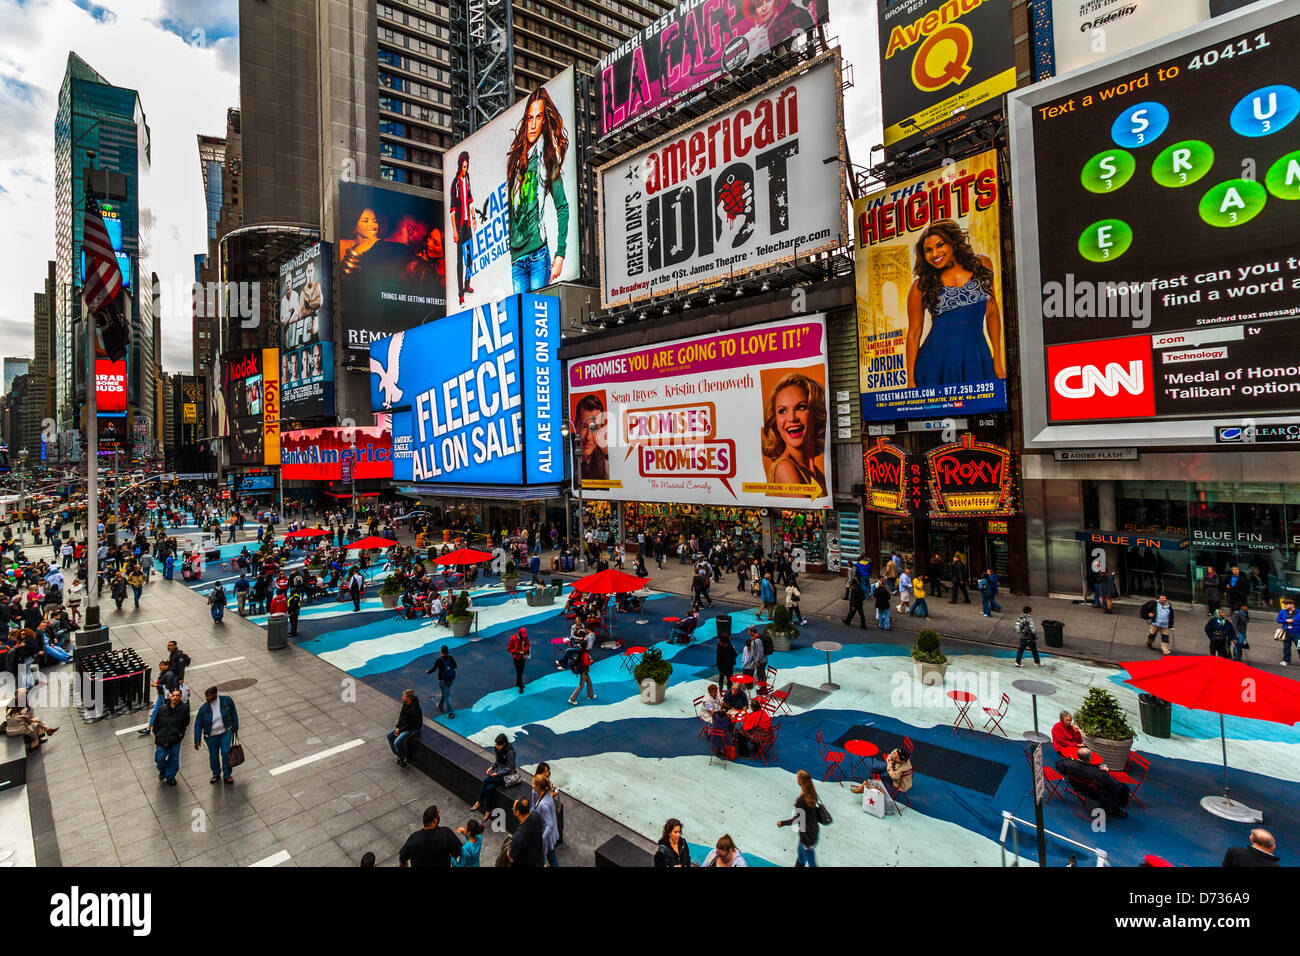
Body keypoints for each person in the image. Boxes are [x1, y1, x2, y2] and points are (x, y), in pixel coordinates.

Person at [905, 218, 1005, 390]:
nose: (934, 254)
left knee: (983, 412)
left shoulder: (982, 264)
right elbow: (914, 334)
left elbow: (992, 312)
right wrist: (911, 380)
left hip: (975, 357)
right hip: (935, 363)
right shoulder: (920, 286)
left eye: (940, 245)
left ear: (953, 243)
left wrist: (997, 358)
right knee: (943, 415)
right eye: (928, 250)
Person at [507, 86, 570, 293]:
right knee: (520, 324)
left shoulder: (547, 160)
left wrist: (560, 255)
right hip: (517, 259)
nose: (533, 124)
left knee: (536, 322)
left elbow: (562, 206)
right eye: (529, 118)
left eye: (538, 117)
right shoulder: (515, 162)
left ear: (544, 121)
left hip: (537, 256)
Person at [760, 372, 828, 500]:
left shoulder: (816, 473)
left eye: (801, 407)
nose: (791, 418)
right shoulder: (785, 467)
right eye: (783, 411)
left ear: (816, 414)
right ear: (775, 420)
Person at [777, 769, 826, 867]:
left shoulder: (801, 801)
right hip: (813, 831)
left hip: (806, 837)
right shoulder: (813, 794)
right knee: (801, 857)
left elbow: (796, 819)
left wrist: (782, 823)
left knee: (811, 863)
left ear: (800, 781)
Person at [193, 686, 239, 785]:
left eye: (209, 696)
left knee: (226, 753)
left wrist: (235, 725)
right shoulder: (203, 709)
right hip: (211, 736)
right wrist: (197, 739)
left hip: (225, 732)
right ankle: (216, 773)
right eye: (206, 696)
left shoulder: (226, 701)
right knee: (213, 755)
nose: (207, 698)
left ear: (215, 694)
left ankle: (227, 775)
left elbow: (233, 712)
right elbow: (198, 724)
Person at [449, 151, 477, 306]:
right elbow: (452, 209)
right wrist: (454, 230)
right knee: (460, 261)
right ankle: (460, 295)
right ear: (460, 165)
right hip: (459, 227)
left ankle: (467, 285)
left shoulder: (467, 179)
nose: (465, 169)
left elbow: (470, 199)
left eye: (467, 166)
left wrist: (473, 217)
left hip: (467, 225)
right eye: (464, 166)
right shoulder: (455, 183)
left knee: (470, 258)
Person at [470, 733, 517, 821]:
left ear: (504, 744)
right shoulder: (497, 749)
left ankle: (479, 801)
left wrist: (498, 774)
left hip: (506, 776)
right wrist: (492, 767)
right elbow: (497, 761)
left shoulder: (510, 752)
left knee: (486, 781)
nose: (496, 746)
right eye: (496, 744)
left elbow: (511, 767)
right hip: (498, 772)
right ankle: (488, 811)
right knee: (489, 788)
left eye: (498, 745)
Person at [398, 805, 463, 868]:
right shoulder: (446, 833)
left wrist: (403, 863)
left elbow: (402, 857)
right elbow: (458, 852)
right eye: (438, 814)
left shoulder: (414, 837)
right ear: (435, 820)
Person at [151, 689, 190, 786]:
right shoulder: (162, 708)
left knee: (174, 758)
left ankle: (170, 776)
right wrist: (157, 733)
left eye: (177, 695)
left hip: (175, 738)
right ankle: (163, 769)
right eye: (173, 695)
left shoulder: (184, 708)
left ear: (180, 697)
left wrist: (180, 733)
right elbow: (156, 723)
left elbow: (185, 722)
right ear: (170, 696)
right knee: (159, 757)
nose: (175, 697)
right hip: (162, 737)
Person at [4, 687, 58, 752]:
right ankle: (35, 742)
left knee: (36, 721)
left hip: (11, 729)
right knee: (36, 724)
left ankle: (47, 731)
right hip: (18, 729)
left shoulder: (12, 706)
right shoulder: (22, 707)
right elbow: (29, 719)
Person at [572, 393, 609, 483]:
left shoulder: (607, 468)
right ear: (576, 426)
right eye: (584, 427)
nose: (588, 437)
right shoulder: (564, 459)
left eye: (594, 428)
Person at [387, 689, 423, 767]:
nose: (402, 697)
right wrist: (397, 727)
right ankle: (399, 754)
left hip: (413, 728)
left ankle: (402, 757)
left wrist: (400, 730)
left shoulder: (414, 708)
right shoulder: (406, 703)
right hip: (404, 726)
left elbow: (411, 724)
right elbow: (401, 716)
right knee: (389, 735)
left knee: (397, 742)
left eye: (403, 696)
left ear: (409, 698)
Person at [533, 771, 560, 866]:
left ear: (538, 786)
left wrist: (541, 839)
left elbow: (549, 824)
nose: (532, 786)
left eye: (533, 784)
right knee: (551, 857)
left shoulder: (543, 805)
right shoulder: (547, 794)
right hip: (547, 835)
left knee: (547, 858)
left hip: (546, 837)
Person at [426, 646, 457, 718]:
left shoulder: (439, 660)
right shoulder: (451, 658)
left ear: (441, 652)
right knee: (445, 693)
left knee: (447, 697)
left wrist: (428, 672)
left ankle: (451, 713)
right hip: (450, 679)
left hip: (443, 681)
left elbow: (434, 669)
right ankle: (440, 706)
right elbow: (455, 666)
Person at [567, 640, 595, 706]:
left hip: (583, 670)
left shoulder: (580, 650)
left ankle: (590, 695)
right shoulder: (585, 653)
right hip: (583, 670)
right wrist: (590, 661)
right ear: (586, 645)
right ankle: (572, 699)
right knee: (581, 685)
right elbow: (585, 663)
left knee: (589, 682)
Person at [1276, 597, 1300, 667]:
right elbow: (1278, 620)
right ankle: (1286, 660)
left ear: (1292, 605)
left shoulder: (1299, 613)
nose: (1285, 606)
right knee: (1286, 647)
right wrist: (1286, 621)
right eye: (1284, 604)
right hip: (1286, 632)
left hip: (1298, 633)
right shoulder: (1282, 612)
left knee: (1299, 647)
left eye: (1286, 604)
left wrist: (1294, 621)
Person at [508, 626, 530, 693]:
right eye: (522, 635)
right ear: (519, 633)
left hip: (523, 656)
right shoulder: (513, 638)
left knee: (521, 670)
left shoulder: (525, 637)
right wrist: (515, 651)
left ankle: (518, 682)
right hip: (516, 657)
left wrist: (525, 650)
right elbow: (509, 648)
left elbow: (528, 644)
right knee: (519, 670)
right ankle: (520, 685)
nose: (523, 637)